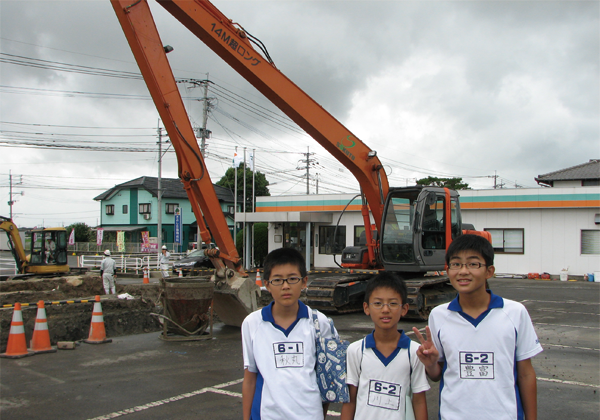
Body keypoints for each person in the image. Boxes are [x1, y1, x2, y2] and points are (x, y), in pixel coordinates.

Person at [413, 234, 543, 420]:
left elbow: (525, 374)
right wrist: (431, 364)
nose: (463, 271)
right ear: (448, 269)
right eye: (456, 264)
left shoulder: (515, 313)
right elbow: (436, 375)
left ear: (489, 271)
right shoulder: (439, 316)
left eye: (473, 264)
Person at [241, 247, 337, 420]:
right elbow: (249, 378)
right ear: (267, 284)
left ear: (304, 281)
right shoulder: (252, 323)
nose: (285, 286)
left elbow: (328, 380)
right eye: (278, 280)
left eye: (292, 279)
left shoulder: (320, 323)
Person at [341, 272, 429, 420]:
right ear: (366, 308)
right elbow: (350, 400)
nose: (385, 309)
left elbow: (419, 401)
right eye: (378, 303)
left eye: (393, 303)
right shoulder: (356, 351)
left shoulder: (415, 352)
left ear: (404, 309)